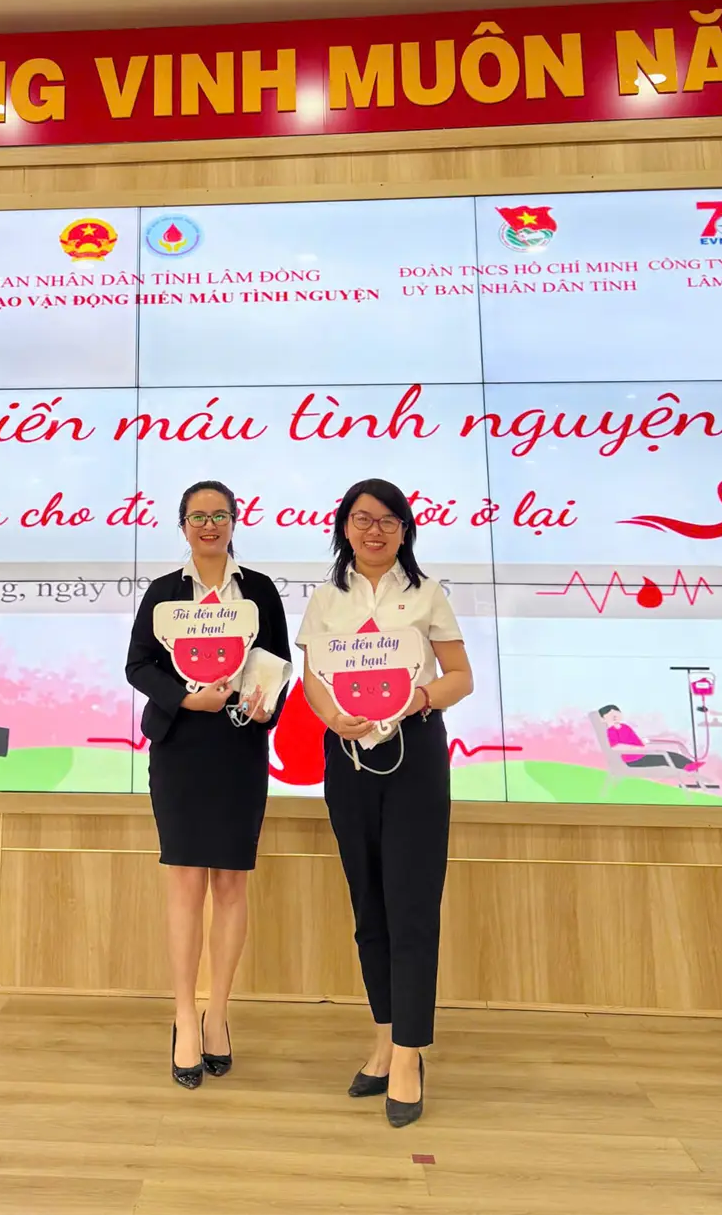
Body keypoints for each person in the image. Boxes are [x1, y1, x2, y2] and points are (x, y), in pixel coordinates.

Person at [297, 478, 472, 1130]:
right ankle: (383, 1039)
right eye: (364, 519)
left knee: (411, 905)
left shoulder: (427, 594)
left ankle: (408, 1055)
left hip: (414, 755)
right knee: (369, 904)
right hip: (347, 758)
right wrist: (331, 715)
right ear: (344, 527)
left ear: (405, 530)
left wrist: (420, 698)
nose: (375, 531)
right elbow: (313, 679)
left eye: (389, 521)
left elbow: (461, 677)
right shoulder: (325, 599)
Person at [125, 480, 291, 1088]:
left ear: (234, 521)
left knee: (231, 883)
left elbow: (279, 664)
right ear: (183, 525)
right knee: (185, 882)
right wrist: (185, 698)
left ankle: (217, 1014)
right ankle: (183, 1018)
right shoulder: (163, 592)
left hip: (239, 748)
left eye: (219, 515)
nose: (209, 525)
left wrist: (267, 704)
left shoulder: (260, 591)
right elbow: (138, 665)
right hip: (181, 748)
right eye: (198, 516)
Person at [597, 704, 703, 785]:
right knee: (664, 757)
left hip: (641, 755)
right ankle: (687, 767)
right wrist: (634, 748)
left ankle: (689, 765)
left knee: (667, 754)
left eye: (616, 713)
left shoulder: (625, 727)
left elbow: (636, 741)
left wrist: (642, 743)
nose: (615, 716)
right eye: (610, 715)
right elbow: (616, 747)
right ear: (603, 719)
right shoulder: (611, 731)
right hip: (633, 760)